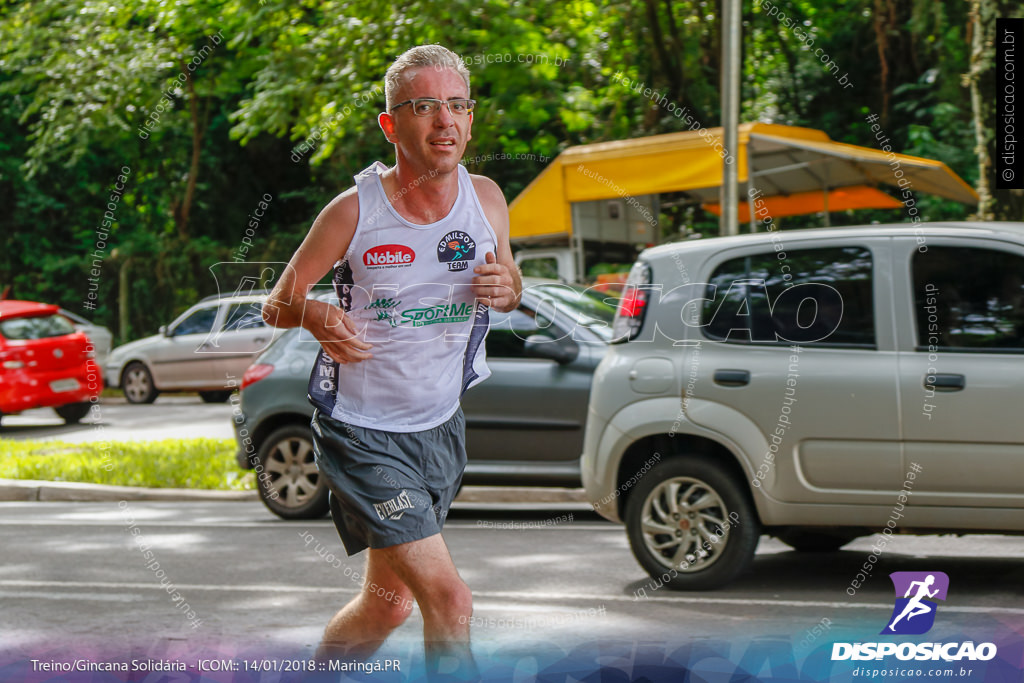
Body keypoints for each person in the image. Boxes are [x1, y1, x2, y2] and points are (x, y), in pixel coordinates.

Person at [262, 45, 521, 676]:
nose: (446, 121)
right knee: (449, 599)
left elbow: (511, 281)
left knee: (388, 607)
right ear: (390, 124)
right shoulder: (355, 211)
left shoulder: (485, 199)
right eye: (425, 106)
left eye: (458, 105)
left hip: (439, 427)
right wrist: (317, 315)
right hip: (362, 431)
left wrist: (507, 289)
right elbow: (278, 303)